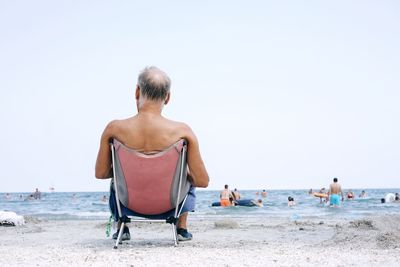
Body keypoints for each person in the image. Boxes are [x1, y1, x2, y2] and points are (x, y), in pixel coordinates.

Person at [95, 66, 209, 242]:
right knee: (189, 175)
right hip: (170, 205)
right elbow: (202, 180)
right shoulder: (183, 132)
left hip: (128, 204)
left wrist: (128, 170)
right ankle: (181, 227)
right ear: (168, 97)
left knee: (115, 177)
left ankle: (122, 227)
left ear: (137, 91)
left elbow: (101, 173)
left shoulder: (114, 129)